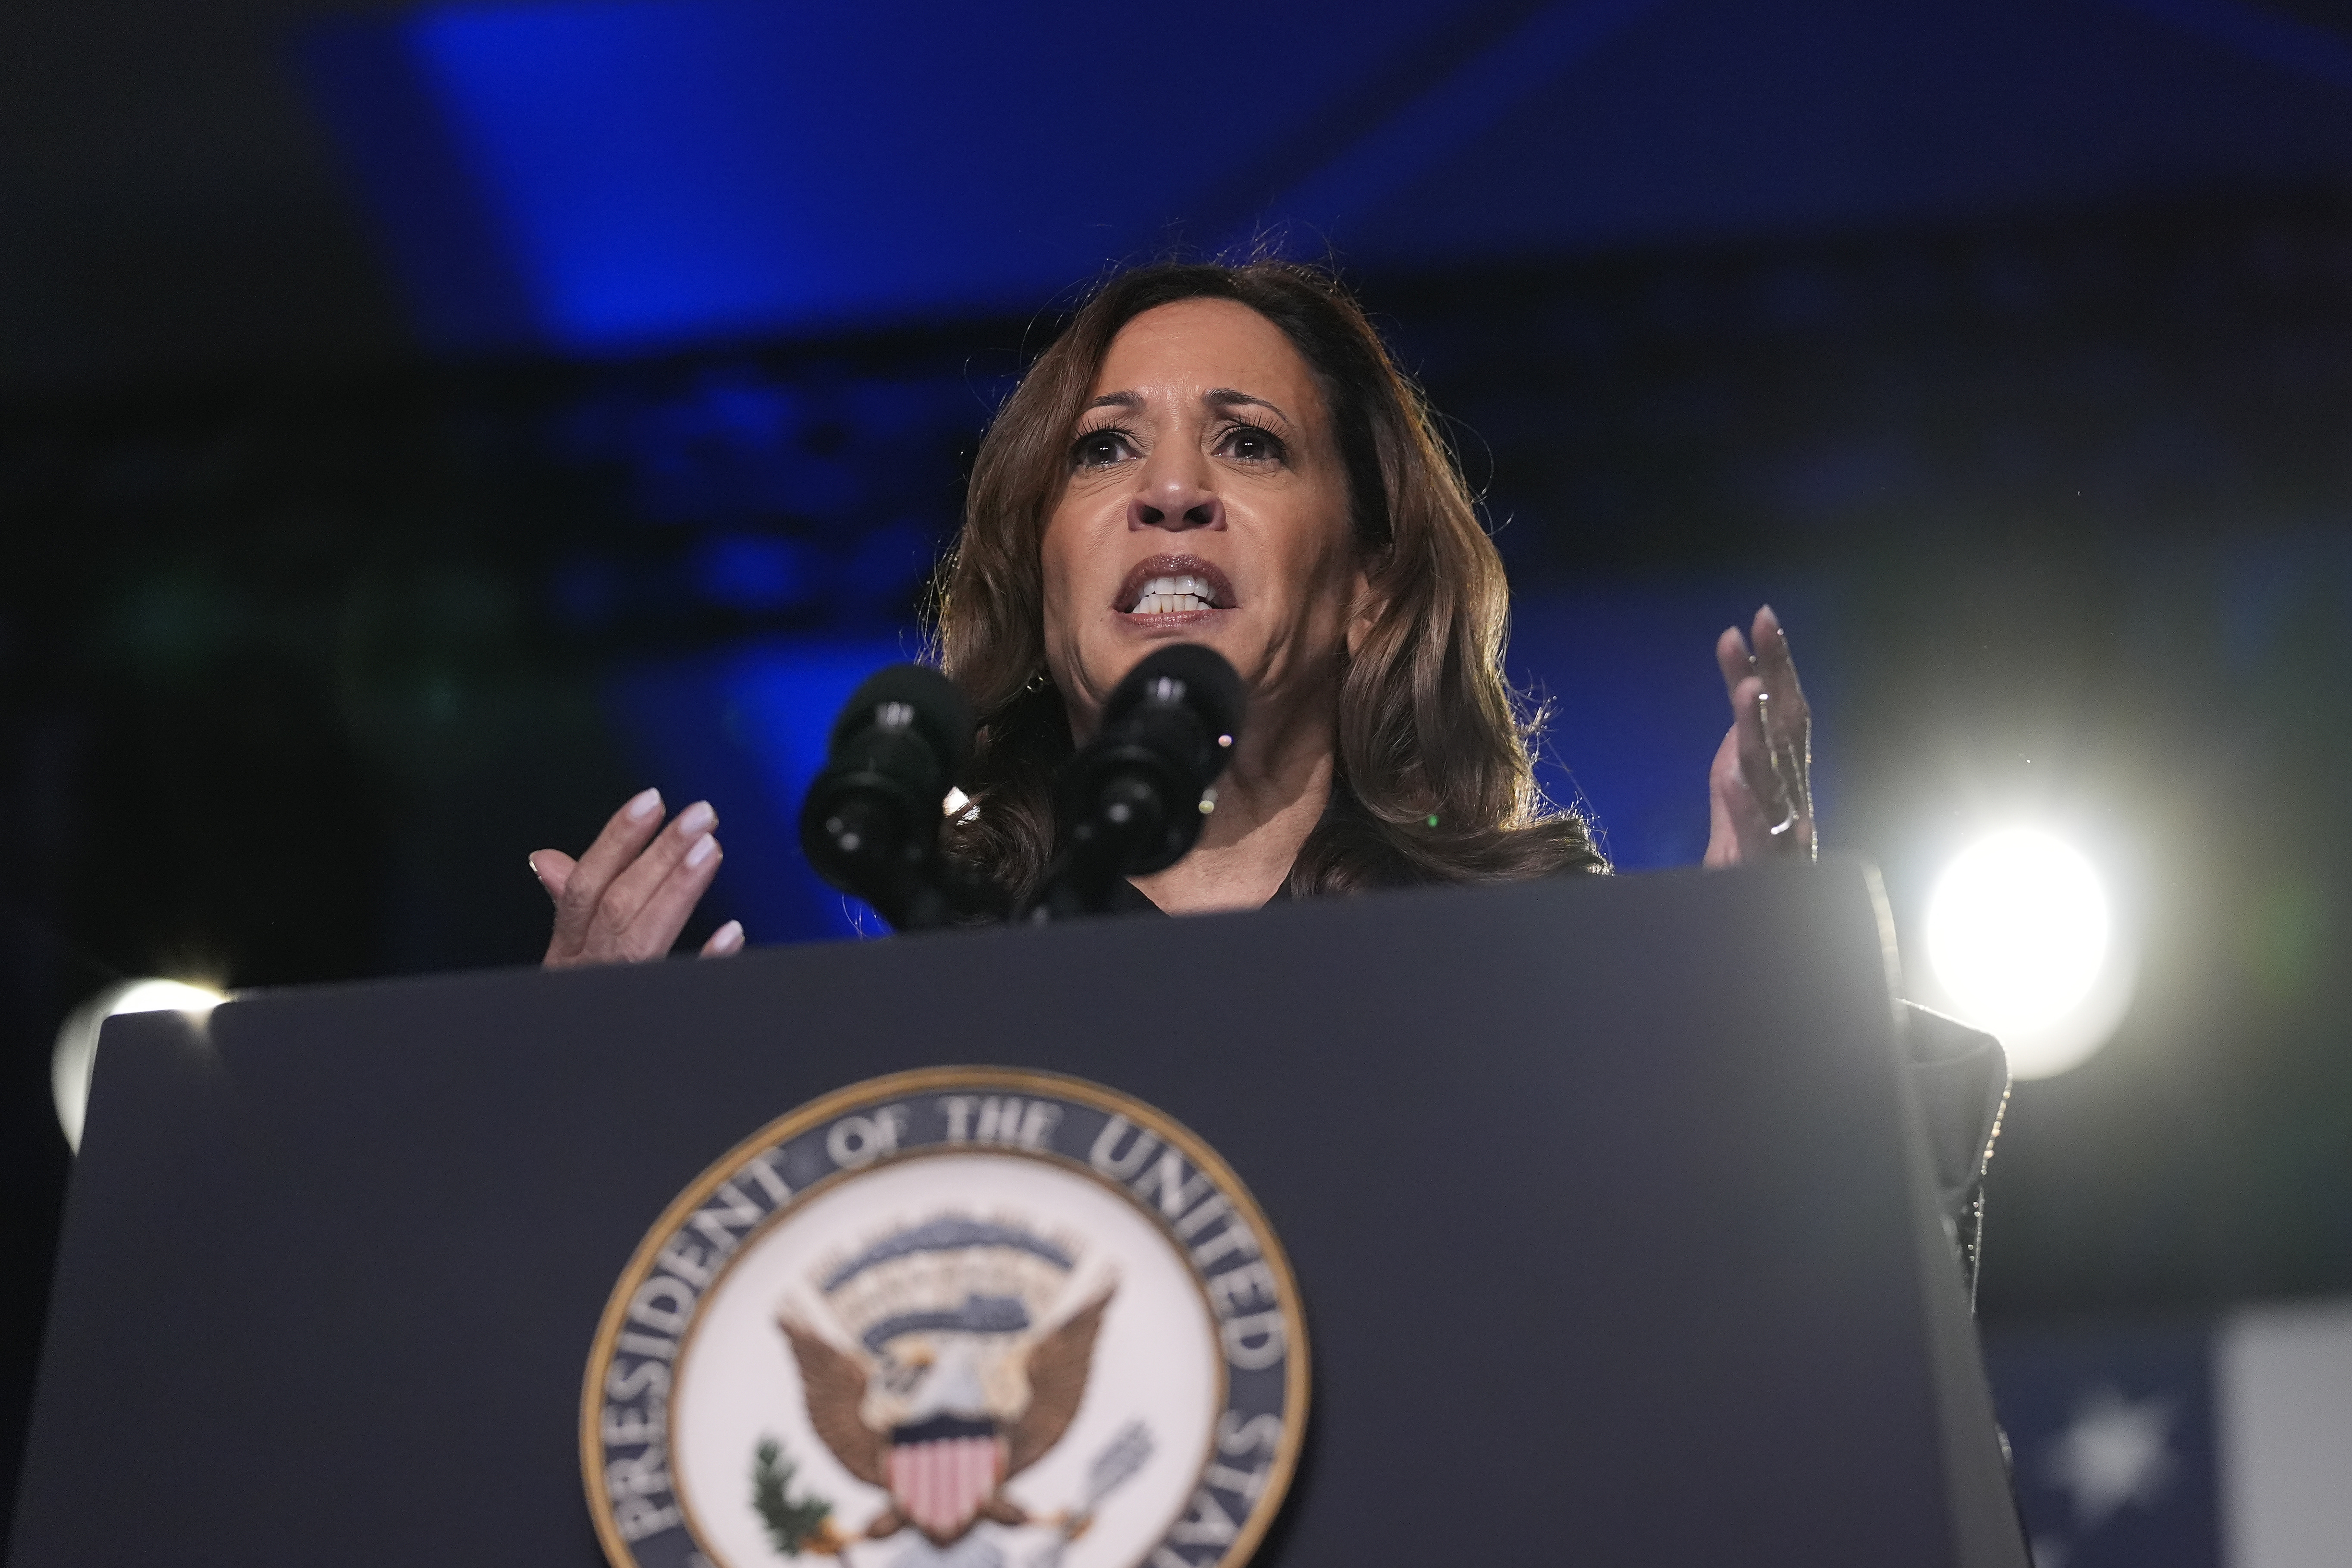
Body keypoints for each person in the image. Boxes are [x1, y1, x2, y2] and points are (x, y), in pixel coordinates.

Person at [526, 260, 2003, 1282]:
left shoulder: (1545, 977)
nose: (1171, 490)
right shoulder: (915, 1016)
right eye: (1103, 453)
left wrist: (1775, 1027)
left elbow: (1777, 1394)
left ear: (1367, 586)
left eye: (1248, 442)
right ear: (1045, 598)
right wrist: (561, 1108)